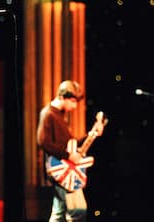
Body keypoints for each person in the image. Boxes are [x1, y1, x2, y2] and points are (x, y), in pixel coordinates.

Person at [37, 80, 105, 222]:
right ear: (62, 97)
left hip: (64, 169)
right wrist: (68, 155)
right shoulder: (48, 114)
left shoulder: (60, 115)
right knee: (77, 210)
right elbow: (42, 141)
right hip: (60, 171)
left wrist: (92, 134)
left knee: (59, 213)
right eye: (73, 101)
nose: (74, 106)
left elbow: (70, 143)